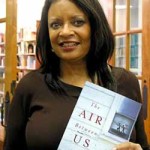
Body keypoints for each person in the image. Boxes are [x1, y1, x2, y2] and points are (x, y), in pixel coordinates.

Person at [4, 0, 149, 150]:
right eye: (55, 24)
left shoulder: (125, 82)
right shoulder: (30, 86)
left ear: (95, 28)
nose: (65, 32)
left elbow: (142, 145)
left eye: (78, 22)